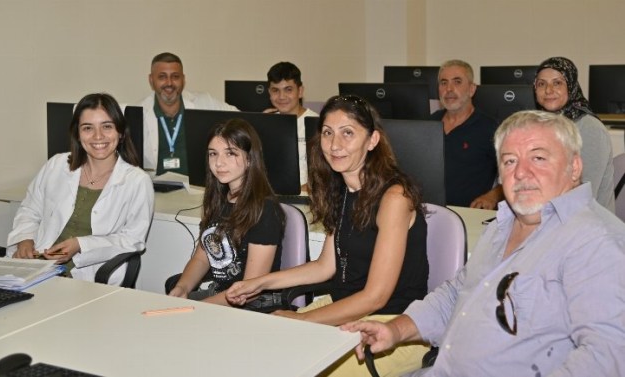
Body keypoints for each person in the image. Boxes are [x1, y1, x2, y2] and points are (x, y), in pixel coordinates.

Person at [344, 110, 625, 376]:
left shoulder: (595, 241)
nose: (521, 172)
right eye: (509, 161)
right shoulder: (502, 225)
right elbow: (456, 294)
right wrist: (395, 330)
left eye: (538, 158)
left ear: (574, 167)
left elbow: (608, 356)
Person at [227, 95, 430, 376]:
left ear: (372, 140)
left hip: (393, 324)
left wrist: (302, 320)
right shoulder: (342, 191)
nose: (335, 145)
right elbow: (325, 267)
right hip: (344, 306)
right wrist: (260, 283)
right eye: (327, 133)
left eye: (348, 133)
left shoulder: (394, 198)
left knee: (306, 368)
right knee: (260, 352)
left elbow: (375, 297)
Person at [7, 93, 154, 285]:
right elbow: (29, 210)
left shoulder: (137, 181)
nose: (98, 136)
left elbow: (133, 240)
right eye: (87, 128)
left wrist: (81, 245)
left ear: (120, 132)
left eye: (107, 126)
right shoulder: (56, 165)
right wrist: (25, 240)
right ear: (77, 133)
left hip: (87, 278)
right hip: (37, 268)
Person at [167, 118, 285, 305]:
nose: (219, 163)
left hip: (253, 304)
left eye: (230, 153)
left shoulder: (265, 210)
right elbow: (201, 258)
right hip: (222, 295)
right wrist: (183, 287)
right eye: (213, 154)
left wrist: (199, 307)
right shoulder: (218, 200)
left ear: (249, 159)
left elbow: (250, 290)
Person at [534, 56, 615, 212]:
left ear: (571, 87)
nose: (548, 90)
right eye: (541, 84)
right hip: (547, 214)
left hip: (586, 219)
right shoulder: (539, 125)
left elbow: (583, 195)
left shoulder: (590, 129)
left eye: (557, 83)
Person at [141, 52, 237, 176]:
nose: (169, 83)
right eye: (162, 77)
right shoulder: (139, 111)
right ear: (151, 80)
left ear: (183, 79)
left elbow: (240, 118)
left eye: (175, 76)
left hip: (196, 186)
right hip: (155, 185)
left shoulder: (204, 102)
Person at [433, 59, 502, 209]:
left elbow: (512, 172)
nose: (449, 89)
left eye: (457, 82)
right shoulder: (428, 124)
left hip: (470, 213)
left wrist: (493, 196)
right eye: (443, 83)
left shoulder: (490, 128)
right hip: (430, 209)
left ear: (471, 89)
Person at [265, 61, 318, 191]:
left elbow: (324, 174)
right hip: (270, 194)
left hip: (306, 196)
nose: (281, 97)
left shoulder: (317, 123)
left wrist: (298, 194)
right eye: (275, 90)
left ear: (300, 91)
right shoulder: (267, 122)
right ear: (269, 93)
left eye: (288, 90)